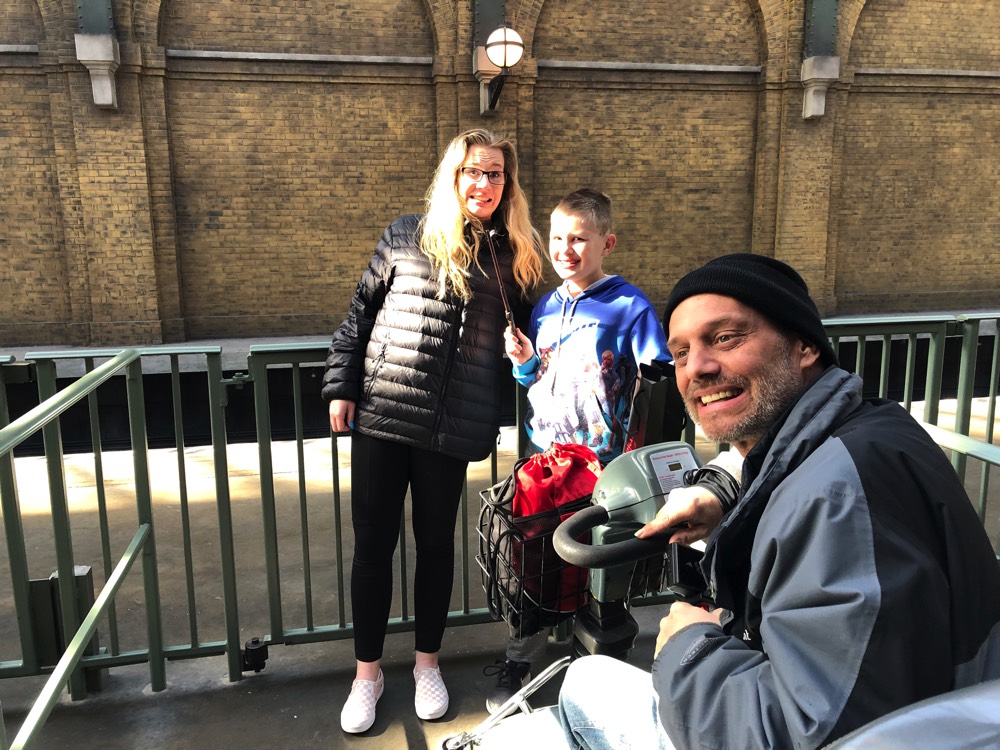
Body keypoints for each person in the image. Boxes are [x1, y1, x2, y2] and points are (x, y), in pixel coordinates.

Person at [487, 253, 1000, 749]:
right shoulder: (869, 428)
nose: (697, 369)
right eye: (682, 352)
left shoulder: (837, 500)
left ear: (803, 345)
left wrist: (690, 648)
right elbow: (779, 462)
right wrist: (724, 492)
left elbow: (812, 731)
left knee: (578, 690)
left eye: (725, 338)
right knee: (586, 680)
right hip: (947, 702)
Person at [320, 129, 543, 734]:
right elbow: (359, 315)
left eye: (495, 174)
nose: (484, 184)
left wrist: (523, 352)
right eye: (473, 171)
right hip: (384, 414)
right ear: (453, 176)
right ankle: (367, 676)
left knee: (435, 549)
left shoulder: (515, 257)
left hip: (452, 426)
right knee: (372, 549)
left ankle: (426, 665)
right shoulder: (405, 234)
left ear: (508, 184)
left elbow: (529, 348)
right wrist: (341, 385)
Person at [485, 189, 741, 712]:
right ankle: (521, 655)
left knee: (599, 570)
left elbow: (661, 375)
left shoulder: (630, 305)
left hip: (602, 470)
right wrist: (524, 360)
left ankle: (592, 671)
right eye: (557, 238)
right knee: (533, 559)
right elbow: (533, 377)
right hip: (545, 459)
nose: (566, 249)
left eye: (579, 238)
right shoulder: (545, 305)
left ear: (607, 242)